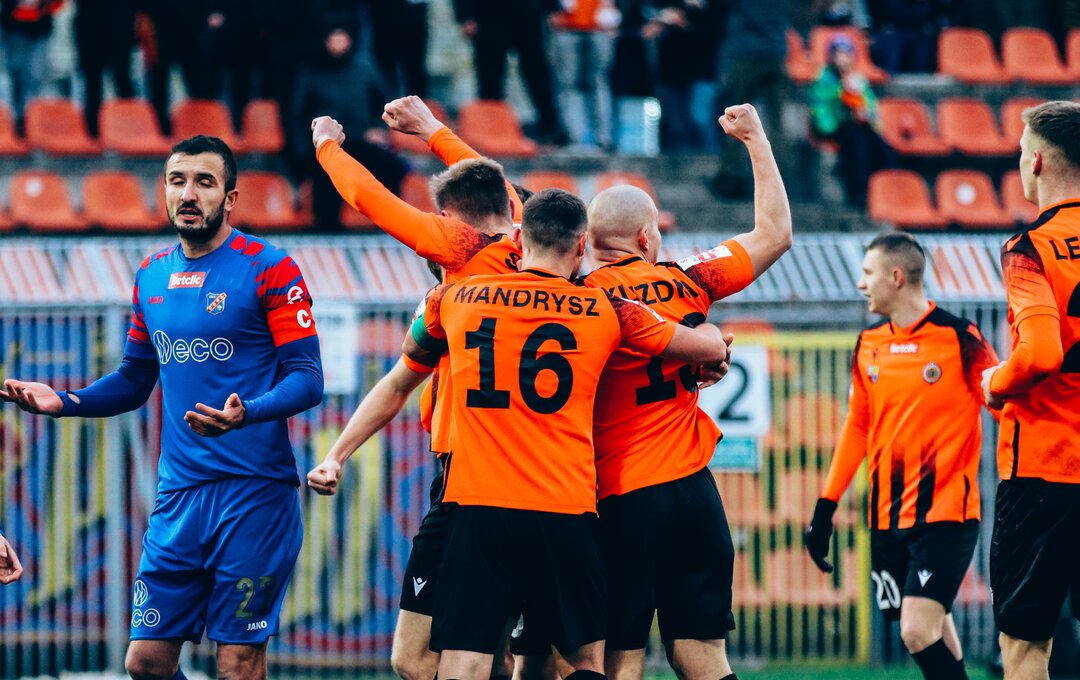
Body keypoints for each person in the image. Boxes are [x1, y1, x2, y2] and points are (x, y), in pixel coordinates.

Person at [0, 136, 324, 680]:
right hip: (178, 498)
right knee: (146, 663)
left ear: (231, 198)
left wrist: (247, 412)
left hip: (254, 495)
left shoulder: (270, 268)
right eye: (178, 181)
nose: (188, 194)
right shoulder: (150, 274)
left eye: (204, 182)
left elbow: (308, 379)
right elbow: (134, 379)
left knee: (237, 664)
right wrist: (66, 401)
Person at [402, 188, 732, 680]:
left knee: (467, 656)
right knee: (583, 662)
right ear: (581, 246)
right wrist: (715, 349)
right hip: (566, 507)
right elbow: (697, 345)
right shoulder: (605, 308)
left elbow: (411, 353)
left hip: (478, 503)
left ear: (519, 241)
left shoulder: (454, 297)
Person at [310, 99, 526, 680]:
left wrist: (326, 145)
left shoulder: (459, 264)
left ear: (451, 220)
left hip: (473, 481)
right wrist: (433, 131)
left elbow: (368, 198)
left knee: (428, 660)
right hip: (546, 482)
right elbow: (496, 187)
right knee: (521, 658)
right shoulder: (533, 241)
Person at [577, 103, 789, 680]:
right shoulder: (687, 278)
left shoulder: (578, 301)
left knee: (619, 656)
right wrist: (756, 140)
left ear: (588, 243)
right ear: (647, 236)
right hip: (693, 493)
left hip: (618, 492)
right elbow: (775, 235)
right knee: (701, 653)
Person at [806, 232, 999, 680]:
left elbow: (1003, 404)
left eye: (867, 274)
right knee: (930, 625)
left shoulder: (960, 337)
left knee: (916, 630)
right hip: (887, 518)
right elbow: (857, 427)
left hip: (946, 516)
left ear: (896, 277)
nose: (860, 284)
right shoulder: (868, 344)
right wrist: (825, 507)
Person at [980, 100, 1080, 680]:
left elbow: (1041, 354)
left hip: (1044, 470)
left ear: (1037, 161)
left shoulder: (1031, 248)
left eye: (1021, 152)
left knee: (1024, 647)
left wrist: (995, 381)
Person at [808, 34, 895, 208]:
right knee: (856, 142)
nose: (842, 59)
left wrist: (869, 118)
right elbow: (820, 109)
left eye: (846, 54)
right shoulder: (824, 79)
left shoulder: (858, 80)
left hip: (857, 125)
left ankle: (888, 189)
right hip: (835, 126)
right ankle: (857, 193)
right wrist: (842, 93)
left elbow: (870, 104)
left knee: (878, 143)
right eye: (838, 54)